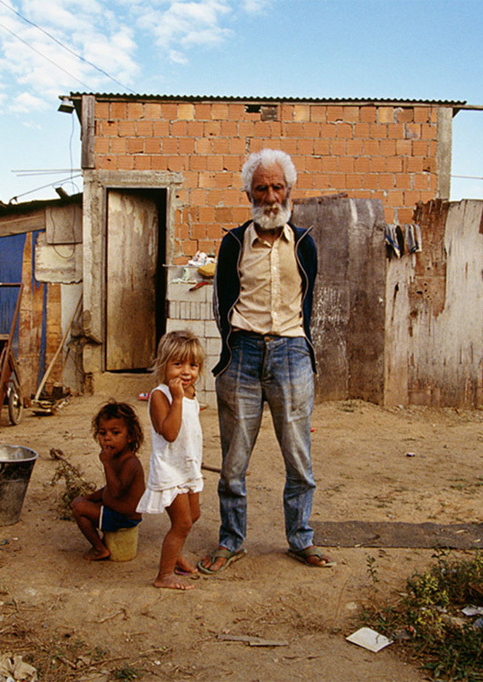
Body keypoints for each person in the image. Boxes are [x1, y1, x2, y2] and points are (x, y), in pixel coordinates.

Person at [198, 148, 335, 575]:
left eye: (277, 187)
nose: (271, 196)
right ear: (248, 194)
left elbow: (309, 300)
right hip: (243, 354)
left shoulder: (305, 243)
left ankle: (301, 539)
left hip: (292, 353)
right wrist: (229, 352)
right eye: (262, 188)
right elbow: (221, 303)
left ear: (289, 190)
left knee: (299, 457)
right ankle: (231, 541)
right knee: (234, 461)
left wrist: (299, 347)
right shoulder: (234, 243)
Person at [136, 330, 206, 590]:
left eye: (193, 365)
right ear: (163, 365)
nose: (186, 372)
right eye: (178, 364)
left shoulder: (190, 394)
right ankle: (164, 575)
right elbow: (171, 433)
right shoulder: (160, 396)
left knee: (194, 515)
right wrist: (177, 399)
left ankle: (175, 556)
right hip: (169, 470)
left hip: (187, 467)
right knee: (182, 523)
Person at [70, 400, 146, 561]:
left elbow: (115, 491)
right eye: (102, 433)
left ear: (130, 436)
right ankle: (103, 540)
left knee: (79, 509)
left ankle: (99, 549)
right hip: (114, 511)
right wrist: (88, 498)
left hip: (124, 518)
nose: (107, 438)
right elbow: (108, 489)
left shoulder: (130, 463)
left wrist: (106, 464)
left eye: (115, 433)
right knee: (80, 502)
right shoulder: (116, 457)